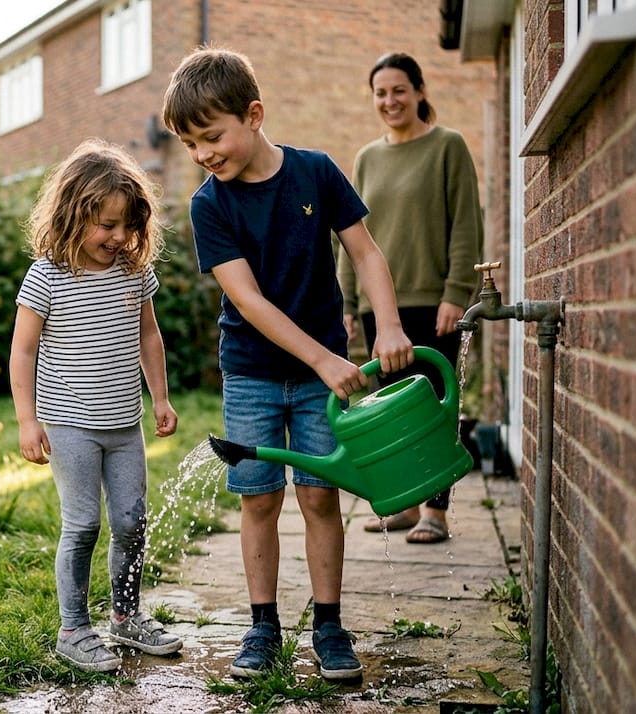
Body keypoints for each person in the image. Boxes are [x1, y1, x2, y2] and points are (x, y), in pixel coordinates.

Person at [160, 47, 413, 682]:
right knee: (258, 502)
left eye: (211, 136)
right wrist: (328, 359)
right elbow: (247, 301)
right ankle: (262, 626)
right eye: (191, 144)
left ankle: (328, 625)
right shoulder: (208, 205)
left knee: (320, 495)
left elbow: (367, 253)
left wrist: (388, 325)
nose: (203, 154)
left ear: (254, 114)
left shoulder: (316, 173)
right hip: (250, 373)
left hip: (320, 376)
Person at [9, 138, 182, 673]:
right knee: (82, 524)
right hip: (69, 426)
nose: (118, 237)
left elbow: (149, 335)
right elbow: (23, 349)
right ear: (72, 214)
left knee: (131, 520)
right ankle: (73, 628)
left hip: (124, 425)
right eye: (105, 225)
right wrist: (27, 420)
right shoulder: (48, 275)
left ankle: (126, 618)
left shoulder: (133, 273)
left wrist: (160, 396)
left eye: (126, 225)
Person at [338, 52, 483, 545]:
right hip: (379, 307)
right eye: (380, 92)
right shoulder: (365, 158)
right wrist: (347, 303)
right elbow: (350, 236)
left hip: (432, 301)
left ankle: (436, 512)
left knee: (436, 406)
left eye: (399, 90)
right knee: (390, 411)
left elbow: (466, 226)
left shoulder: (448, 146)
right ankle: (406, 502)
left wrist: (455, 294)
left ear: (420, 91)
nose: (389, 100)